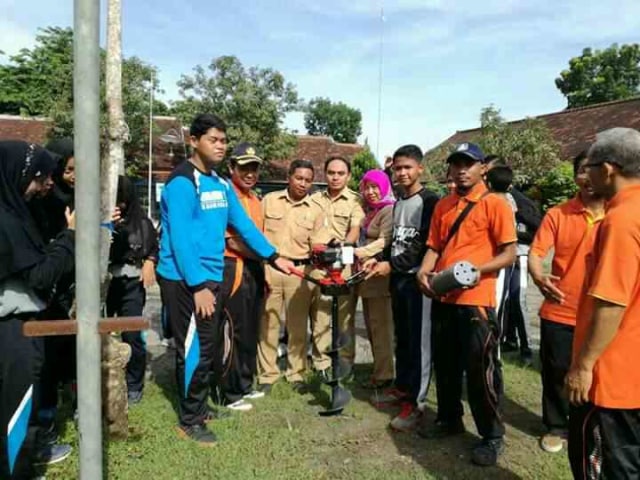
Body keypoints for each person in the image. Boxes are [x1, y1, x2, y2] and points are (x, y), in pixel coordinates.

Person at [156, 114, 294, 445]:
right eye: (212, 139)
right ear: (194, 140)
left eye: (223, 140)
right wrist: (200, 286)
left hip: (211, 275)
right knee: (195, 350)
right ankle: (190, 420)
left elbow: (244, 226)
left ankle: (199, 408)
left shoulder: (219, 184)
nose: (219, 145)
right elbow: (182, 240)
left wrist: (274, 256)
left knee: (209, 346)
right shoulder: (182, 183)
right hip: (185, 280)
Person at [416, 142, 516, 467]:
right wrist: (424, 270)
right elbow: (434, 245)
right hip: (444, 296)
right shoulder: (444, 204)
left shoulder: (495, 204)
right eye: (456, 163)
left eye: (468, 163)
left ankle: (492, 435)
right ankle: (449, 418)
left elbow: (509, 253)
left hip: (477, 303)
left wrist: (478, 270)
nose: (461, 170)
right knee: (445, 365)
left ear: (482, 168)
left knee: (480, 370)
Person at [566, 128, 640, 479]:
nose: (585, 175)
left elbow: (612, 300)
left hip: (611, 377)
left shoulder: (621, 220)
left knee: (605, 465)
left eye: (590, 166)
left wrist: (584, 365)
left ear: (608, 169)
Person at [0, 141, 75, 477]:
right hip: (13, 328)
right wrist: (69, 238)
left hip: (18, 324)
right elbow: (40, 275)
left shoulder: (14, 211)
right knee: (15, 407)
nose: (47, 184)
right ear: (20, 174)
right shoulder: (6, 223)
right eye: (40, 177)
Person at [528, 152, 605, 454]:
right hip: (560, 307)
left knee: (599, 372)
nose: (585, 178)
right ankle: (557, 426)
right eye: (580, 171)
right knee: (557, 371)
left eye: (591, 170)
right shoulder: (558, 214)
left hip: (603, 313)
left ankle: (594, 425)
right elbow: (536, 253)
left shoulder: (621, 213)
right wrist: (538, 277)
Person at [369, 145, 439, 433]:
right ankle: (403, 387)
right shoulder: (398, 202)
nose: (402, 172)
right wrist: (380, 260)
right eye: (397, 168)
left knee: (420, 343)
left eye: (407, 167)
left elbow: (424, 245)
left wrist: (393, 265)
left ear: (419, 168)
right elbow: (397, 243)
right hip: (397, 279)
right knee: (404, 337)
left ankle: (418, 402)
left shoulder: (430, 201)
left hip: (418, 281)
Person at [29, 138, 77, 439]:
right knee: (44, 361)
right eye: (70, 169)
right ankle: (43, 424)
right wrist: (68, 236)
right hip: (44, 290)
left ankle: (71, 404)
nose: (75, 175)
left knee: (68, 353)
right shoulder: (40, 203)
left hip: (67, 288)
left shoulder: (78, 197)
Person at [258, 160, 320, 393]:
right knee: (268, 324)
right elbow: (258, 235)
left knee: (297, 326)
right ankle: (267, 374)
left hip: (299, 272)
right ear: (289, 177)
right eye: (299, 178)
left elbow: (318, 244)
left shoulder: (315, 209)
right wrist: (263, 267)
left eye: (308, 180)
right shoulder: (269, 201)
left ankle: (296, 373)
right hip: (271, 269)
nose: (303, 183)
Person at [216, 142, 267, 410]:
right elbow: (233, 242)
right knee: (232, 330)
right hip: (233, 267)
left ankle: (245, 384)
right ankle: (230, 393)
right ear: (231, 167)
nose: (250, 173)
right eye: (244, 168)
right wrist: (267, 256)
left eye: (254, 168)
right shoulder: (224, 195)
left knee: (249, 329)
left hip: (254, 269)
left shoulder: (255, 199)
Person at [309, 157, 365, 376]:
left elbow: (355, 228)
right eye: (331, 172)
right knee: (320, 316)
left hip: (343, 266)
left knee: (344, 318)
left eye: (340, 173)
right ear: (325, 173)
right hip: (318, 266)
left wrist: (345, 244)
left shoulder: (355, 201)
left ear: (348, 176)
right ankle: (321, 364)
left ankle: (344, 363)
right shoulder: (314, 199)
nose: (335, 177)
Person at [107, 175, 158, 405]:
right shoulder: (101, 219)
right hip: (104, 284)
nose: (120, 205)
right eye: (115, 199)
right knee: (99, 335)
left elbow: (153, 247)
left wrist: (150, 260)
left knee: (131, 334)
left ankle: (134, 383)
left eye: (123, 200)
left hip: (131, 285)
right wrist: (108, 227)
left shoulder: (142, 222)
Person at [486, 156, 541, 364]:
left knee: (518, 299)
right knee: (500, 301)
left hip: (519, 255)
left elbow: (537, 226)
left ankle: (526, 349)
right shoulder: (489, 198)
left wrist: (516, 239)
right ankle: (503, 342)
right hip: (500, 257)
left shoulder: (518, 200)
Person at [354, 169, 395, 389]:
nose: (370, 192)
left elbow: (384, 240)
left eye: (375, 187)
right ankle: (379, 370)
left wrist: (358, 252)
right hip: (366, 275)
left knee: (381, 327)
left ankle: (385, 375)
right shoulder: (369, 211)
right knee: (371, 325)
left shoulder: (388, 209)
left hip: (379, 275)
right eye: (367, 187)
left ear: (385, 187)